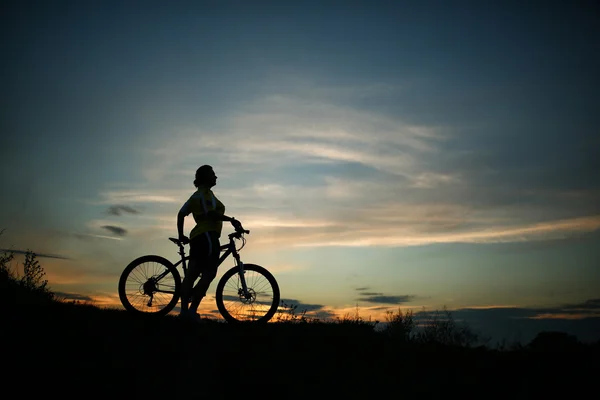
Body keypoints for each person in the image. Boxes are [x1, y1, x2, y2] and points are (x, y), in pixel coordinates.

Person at [177, 164, 244, 322]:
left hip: (199, 236)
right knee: (208, 273)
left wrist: (181, 234)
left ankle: (184, 313)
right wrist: (232, 220)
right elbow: (212, 214)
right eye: (213, 174)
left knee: (192, 274)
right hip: (207, 236)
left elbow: (181, 214)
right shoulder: (205, 194)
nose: (216, 177)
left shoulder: (197, 195)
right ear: (205, 177)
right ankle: (191, 312)